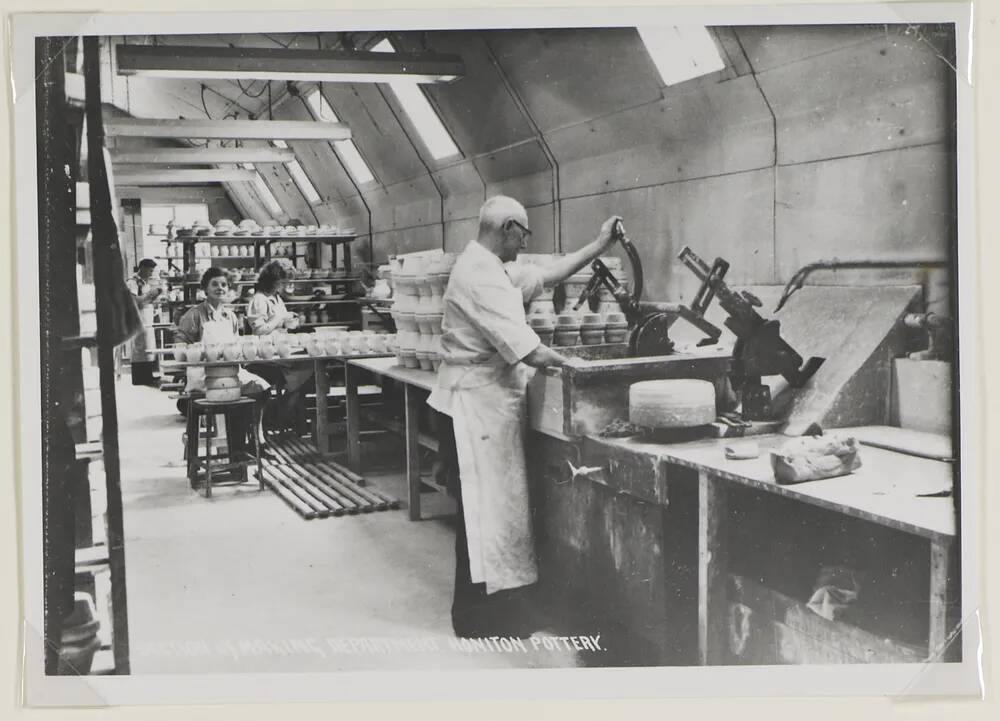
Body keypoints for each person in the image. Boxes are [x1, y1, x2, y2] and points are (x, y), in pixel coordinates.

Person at [427, 195, 622, 638]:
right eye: (524, 234)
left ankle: (499, 612)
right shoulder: (480, 275)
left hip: (486, 404)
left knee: (496, 514)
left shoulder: (488, 265)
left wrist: (598, 246)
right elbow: (530, 348)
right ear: (509, 228)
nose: (525, 243)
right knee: (484, 516)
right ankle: (479, 620)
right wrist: (582, 366)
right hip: (474, 408)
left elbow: (544, 275)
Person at [246, 259, 313, 431]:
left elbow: (279, 323)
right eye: (283, 281)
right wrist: (280, 319)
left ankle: (284, 412)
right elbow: (259, 330)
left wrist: (290, 321)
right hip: (266, 352)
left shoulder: (275, 297)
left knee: (313, 366)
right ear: (272, 280)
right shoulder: (259, 299)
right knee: (309, 367)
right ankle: (281, 414)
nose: (286, 285)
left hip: (280, 347)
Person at [125, 258, 164, 386]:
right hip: (137, 316)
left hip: (146, 316)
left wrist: (156, 295)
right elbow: (134, 301)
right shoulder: (132, 282)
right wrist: (149, 294)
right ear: (142, 268)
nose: (151, 273)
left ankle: (148, 376)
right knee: (140, 347)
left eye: (152, 271)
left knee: (148, 346)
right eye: (149, 270)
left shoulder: (144, 282)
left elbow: (146, 300)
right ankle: (139, 378)